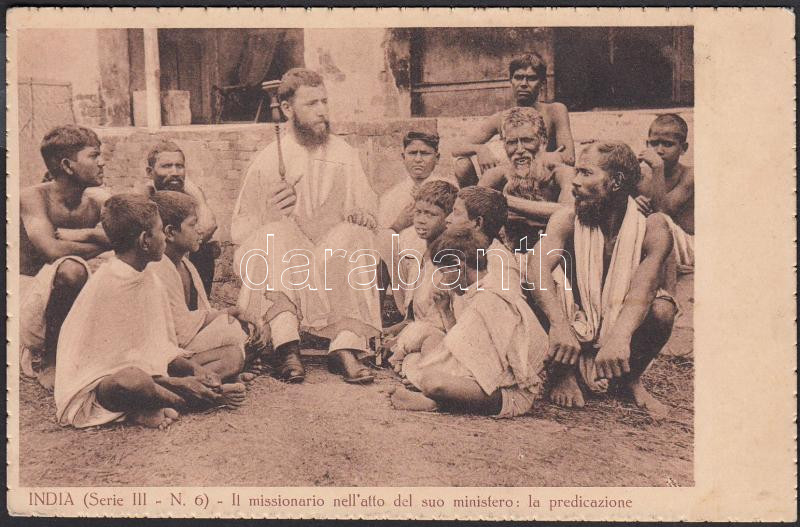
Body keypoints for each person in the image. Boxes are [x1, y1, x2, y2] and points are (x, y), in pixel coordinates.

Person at [231, 68, 381, 384]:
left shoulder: (344, 155)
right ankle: (285, 344)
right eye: (312, 103)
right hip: (284, 255)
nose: (322, 111)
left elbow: (368, 207)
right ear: (287, 109)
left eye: (324, 101)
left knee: (358, 235)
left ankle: (345, 347)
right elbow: (240, 229)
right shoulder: (269, 159)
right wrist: (268, 215)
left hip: (329, 253)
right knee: (275, 233)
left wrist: (363, 215)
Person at [55, 194, 244, 429]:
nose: (165, 237)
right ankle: (205, 399)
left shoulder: (149, 277)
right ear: (145, 240)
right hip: (102, 385)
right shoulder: (108, 284)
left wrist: (195, 370)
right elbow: (114, 366)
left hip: (152, 373)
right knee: (134, 381)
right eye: (160, 232)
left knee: (232, 356)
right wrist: (181, 382)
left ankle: (153, 404)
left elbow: (160, 347)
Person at [527, 141, 677, 418]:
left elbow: (645, 289)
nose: (574, 182)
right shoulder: (567, 219)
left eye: (585, 173)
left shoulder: (653, 226)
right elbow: (537, 267)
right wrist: (559, 325)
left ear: (617, 181)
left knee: (663, 309)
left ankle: (629, 379)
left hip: (620, 330)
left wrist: (619, 336)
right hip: (574, 326)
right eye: (576, 173)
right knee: (532, 285)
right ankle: (564, 374)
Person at [390, 227, 549, 417]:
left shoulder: (490, 299)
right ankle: (438, 394)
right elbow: (466, 345)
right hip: (485, 376)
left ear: (459, 265)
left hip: (508, 393)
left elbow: (501, 370)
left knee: (432, 381)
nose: (441, 279)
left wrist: (432, 372)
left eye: (443, 272)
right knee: (426, 348)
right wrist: (445, 311)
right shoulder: (478, 290)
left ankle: (438, 402)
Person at [19, 125, 113, 389]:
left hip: (73, 306)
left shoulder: (95, 201)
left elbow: (131, 233)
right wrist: (103, 242)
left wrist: (84, 235)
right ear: (67, 165)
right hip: (31, 307)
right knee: (72, 269)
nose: (102, 162)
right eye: (94, 156)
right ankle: (51, 361)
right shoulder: (32, 197)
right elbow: (51, 251)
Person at [148, 191, 251, 385]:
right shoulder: (159, 267)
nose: (200, 231)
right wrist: (228, 312)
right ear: (170, 232)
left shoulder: (187, 266)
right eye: (193, 224)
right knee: (232, 344)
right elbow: (180, 330)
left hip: (185, 348)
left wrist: (227, 316)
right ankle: (179, 386)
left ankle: (214, 375)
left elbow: (202, 313)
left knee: (236, 332)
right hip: (167, 354)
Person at [451, 52, 575, 187]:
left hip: (544, 178)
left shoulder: (555, 111)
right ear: (511, 81)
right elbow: (456, 148)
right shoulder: (502, 117)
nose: (523, 84)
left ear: (543, 83)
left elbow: (569, 157)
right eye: (518, 77)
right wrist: (480, 149)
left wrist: (544, 158)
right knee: (461, 164)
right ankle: (475, 202)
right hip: (513, 178)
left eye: (531, 78)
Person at [384, 180, 459, 372]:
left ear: (448, 218)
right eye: (418, 212)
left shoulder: (450, 259)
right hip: (421, 331)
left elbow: (445, 321)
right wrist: (394, 330)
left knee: (423, 345)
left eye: (431, 214)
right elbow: (414, 318)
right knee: (410, 361)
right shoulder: (419, 256)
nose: (421, 220)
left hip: (443, 334)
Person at [479, 106, 575, 254]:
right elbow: (472, 211)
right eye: (512, 142)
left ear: (543, 141)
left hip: (554, 255)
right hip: (510, 255)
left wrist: (503, 201)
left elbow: (569, 211)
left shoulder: (561, 174)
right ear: (504, 144)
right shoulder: (496, 177)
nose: (519, 149)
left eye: (526, 140)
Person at [139, 141, 220, 296]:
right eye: (167, 166)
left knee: (205, 250)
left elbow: (210, 225)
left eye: (179, 166)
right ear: (150, 172)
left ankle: (197, 303)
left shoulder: (191, 194)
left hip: (181, 258)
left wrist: (199, 198)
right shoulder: (144, 196)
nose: (175, 172)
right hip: (152, 263)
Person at [634, 114, 694, 273]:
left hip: (686, 247)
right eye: (654, 143)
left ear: (683, 148)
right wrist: (633, 203)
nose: (659, 150)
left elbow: (663, 211)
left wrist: (658, 168)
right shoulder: (642, 176)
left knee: (658, 219)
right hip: (655, 243)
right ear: (647, 144)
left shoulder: (690, 176)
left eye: (668, 144)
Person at [445, 186, 520, 291]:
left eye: (456, 213)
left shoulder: (499, 266)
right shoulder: (465, 252)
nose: (447, 219)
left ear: (478, 223)